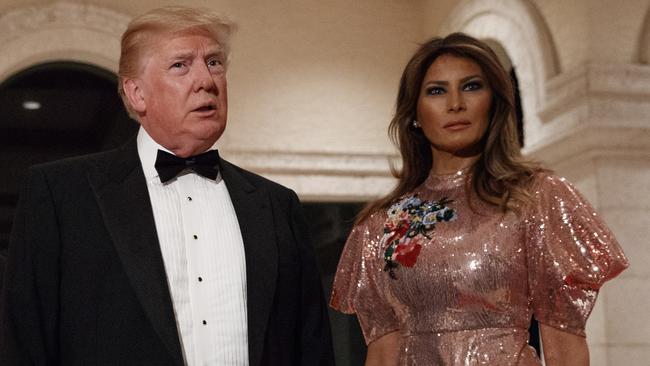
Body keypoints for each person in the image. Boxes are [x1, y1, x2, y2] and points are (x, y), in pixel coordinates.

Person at [0, 6, 334, 366]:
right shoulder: (61, 194)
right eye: (181, 65)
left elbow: (310, 348)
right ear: (136, 93)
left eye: (215, 63)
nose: (206, 80)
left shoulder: (276, 204)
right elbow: (24, 345)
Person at [329, 33, 628, 366]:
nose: (455, 103)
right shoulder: (382, 224)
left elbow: (565, 347)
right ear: (414, 112)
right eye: (436, 90)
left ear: (495, 103)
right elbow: (383, 353)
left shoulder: (537, 198)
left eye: (471, 86)